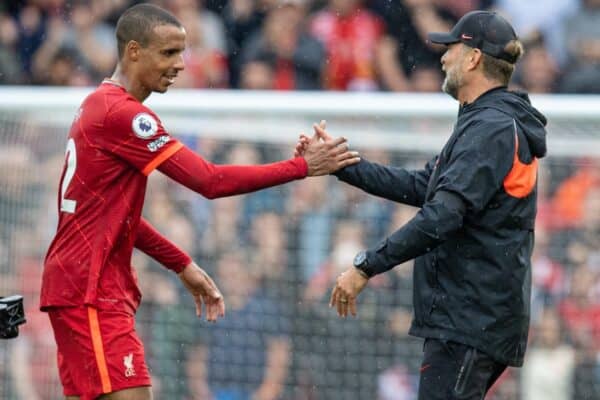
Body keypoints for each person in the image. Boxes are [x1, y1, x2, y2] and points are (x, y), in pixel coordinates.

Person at [39, 4, 360, 400]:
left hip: (78, 287)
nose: (179, 65)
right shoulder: (123, 115)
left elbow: (117, 218)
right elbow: (209, 181)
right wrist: (301, 167)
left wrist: (182, 264)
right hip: (90, 290)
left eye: (182, 53)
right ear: (135, 51)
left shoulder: (97, 104)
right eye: (168, 53)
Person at [298, 10, 548, 400]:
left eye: (450, 48)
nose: (443, 57)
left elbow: (443, 215)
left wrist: (368, 265)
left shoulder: (491, 128)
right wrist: (341, 165)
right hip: (470, 318)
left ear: (473, 57)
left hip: (470, 319)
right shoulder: (484, 122)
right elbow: (423, 186)